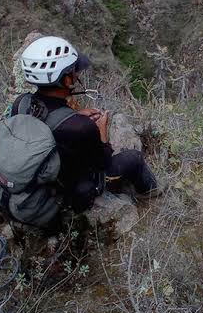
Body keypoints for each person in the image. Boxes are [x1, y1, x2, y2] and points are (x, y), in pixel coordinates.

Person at [10, 35, 163, 215]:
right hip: (66, 192)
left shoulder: (21, 103)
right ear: (67, 80)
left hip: (31, 183)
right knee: (134, 158)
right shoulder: (80, 127)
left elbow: (49, 122)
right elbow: (104, 163)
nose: (77, 74)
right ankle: (152, 193)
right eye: (74, 70)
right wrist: (101, 132)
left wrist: (72, 115)